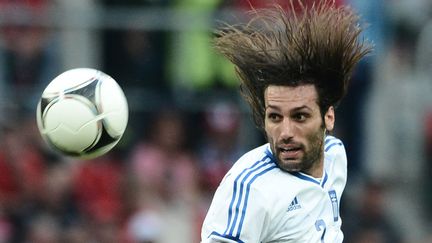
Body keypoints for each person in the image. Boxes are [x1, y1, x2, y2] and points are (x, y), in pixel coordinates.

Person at [200, 1, 372, 242]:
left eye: (300, 116)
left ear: (328, 117)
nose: (286, 132)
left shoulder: (335, 156)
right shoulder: (251, 186)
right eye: (275, 117)